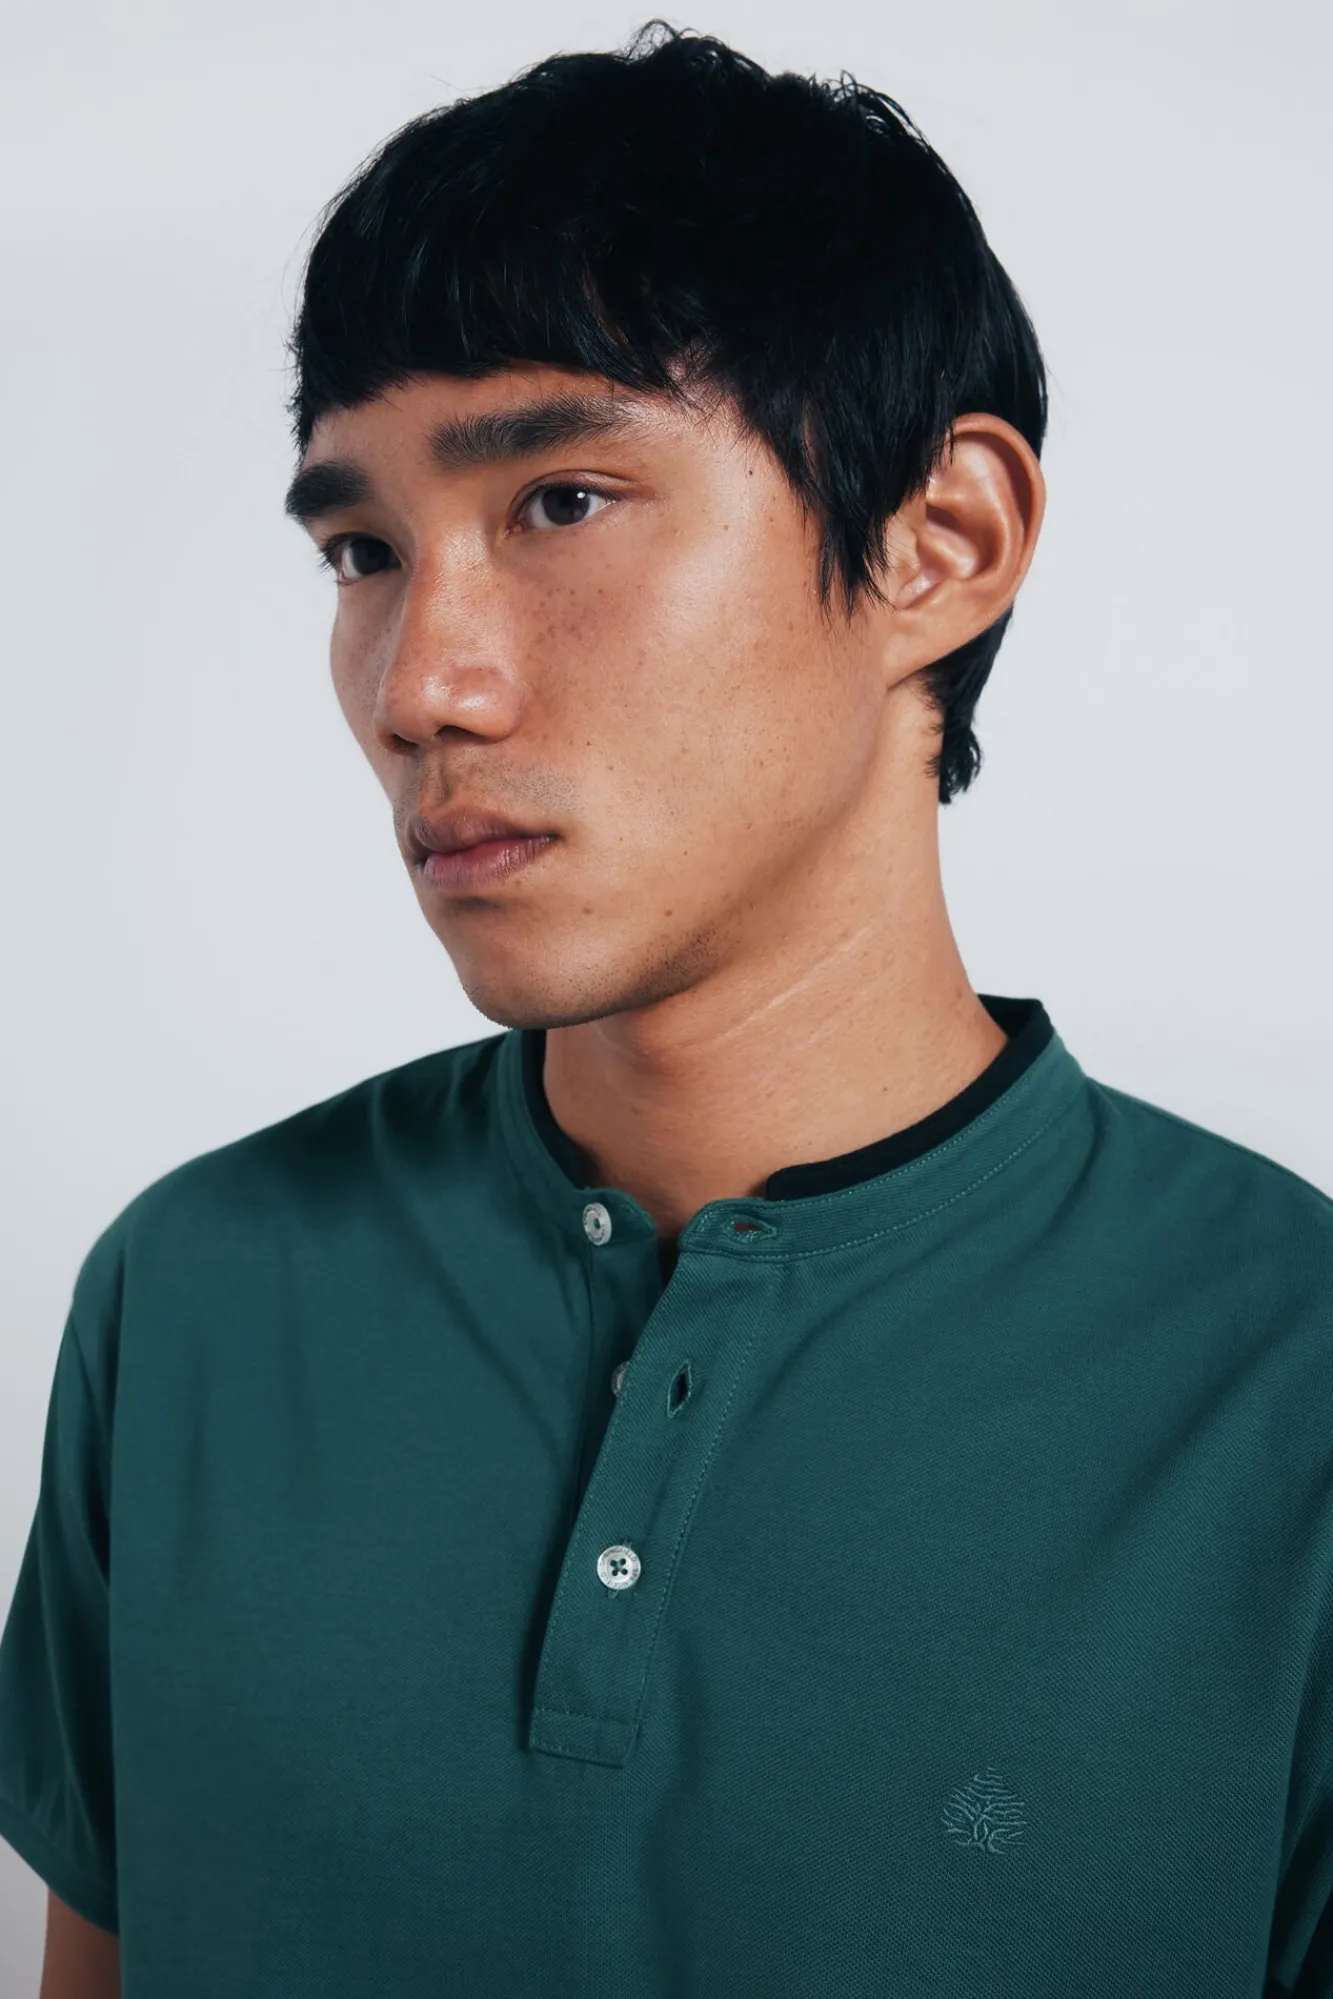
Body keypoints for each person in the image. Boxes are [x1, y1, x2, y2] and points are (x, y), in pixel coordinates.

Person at [1, 19, 1330, 1998]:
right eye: (363, 550)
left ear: (940, 542)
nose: (418, 684)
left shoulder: (1290, 1384)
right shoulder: (187, 1299)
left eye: (561, 501)